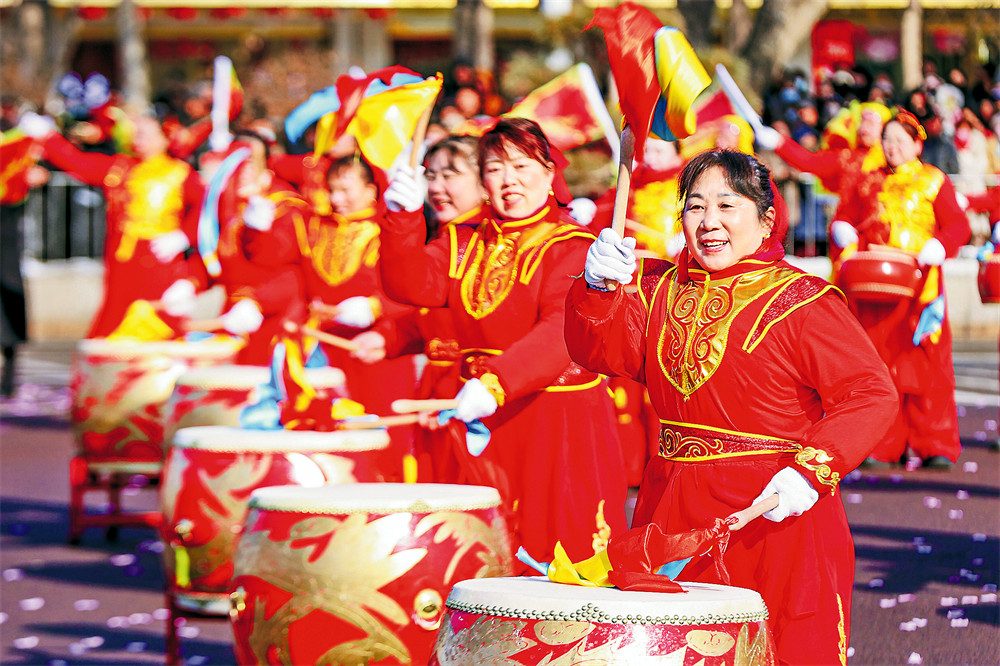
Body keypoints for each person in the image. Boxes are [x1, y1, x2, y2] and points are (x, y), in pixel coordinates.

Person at [566, 149, 898, 666]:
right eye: (695, 207)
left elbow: (871, 393)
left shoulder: (802, 300)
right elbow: (602, 353)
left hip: (771, 510)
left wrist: (813, 470)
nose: (709, 221)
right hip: (672, 508)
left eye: (727, 205)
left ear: (766, 220)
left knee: (778, 647)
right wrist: (596, 290)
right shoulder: (654, 288)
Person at [379, 117, 627, 568]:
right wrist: (401, 218)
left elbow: (560, 331)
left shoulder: (572, 246)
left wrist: (497, 382)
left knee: (556, 554)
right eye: (495, 168)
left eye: (521, 166)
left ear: (549, 174)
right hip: (483, 418)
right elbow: (410, 284)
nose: (509, 180)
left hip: (554, 422)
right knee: (484, 552)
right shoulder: (463, 241)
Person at [243, 152, 417, 478]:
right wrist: (256, 230)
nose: (336, 199)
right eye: (332, 189)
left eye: (346, 189)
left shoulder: (390, 229)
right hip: (323, 352)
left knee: (382, 437)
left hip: (378, 351)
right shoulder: (314, 226)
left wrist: (376, 307)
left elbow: (415, 289)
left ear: (371, 190)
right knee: (326, 432)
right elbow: (272, 260)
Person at [830, 111, 971, 469]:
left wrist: (941, 244)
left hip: (921, 286)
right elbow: (845, 215)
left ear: (917, 145)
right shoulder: (868, 180)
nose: (891, 147)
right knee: (881, 364)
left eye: (899, 140)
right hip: (875, 284)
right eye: (887, 140)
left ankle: (934, 442)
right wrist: (842, 228)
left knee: (928, 362)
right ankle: (881, 444)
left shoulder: (933, 180)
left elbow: (958, 225)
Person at [352, 134, 486, 483]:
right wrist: (388, 337)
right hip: (435, 392)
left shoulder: (489, 242)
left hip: (472, 396)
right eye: (431, 176)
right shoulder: (446, 236)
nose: (437, 187)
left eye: (450, 175)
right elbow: (427, 313)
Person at [20, 110, 205, 337]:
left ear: (165, 139)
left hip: (159, 258)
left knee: (159, 321)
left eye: (147, 134)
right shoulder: (120, 167)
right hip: (123, 257)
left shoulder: (179, 173)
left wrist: (184, 235)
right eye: (137, 133)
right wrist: (48, 137)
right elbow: (79, 163)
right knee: (116, 317)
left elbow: (206, 206)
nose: (139, 139)